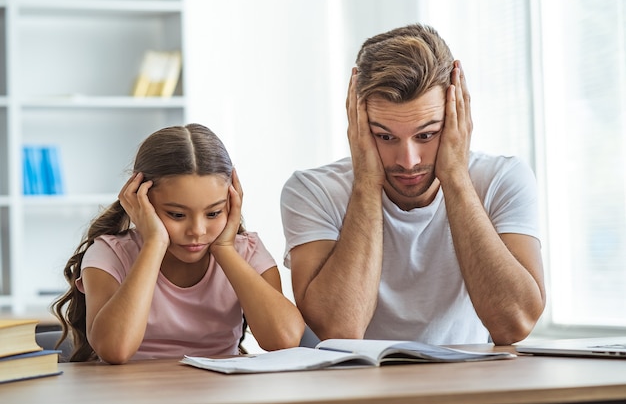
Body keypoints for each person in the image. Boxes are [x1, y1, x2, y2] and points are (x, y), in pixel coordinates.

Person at [280, 24, 545, 346]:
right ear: (357, 124)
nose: (408, 160)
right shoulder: (312, 191)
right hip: (350, 389)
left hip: (462, 387)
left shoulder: (502, 179)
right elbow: (340, 331)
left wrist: (457, 179)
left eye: (427, 135)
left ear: (457, 118)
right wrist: (366, 182)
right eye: (385, 136)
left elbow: (514, 324)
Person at [53, 123, 304, 363]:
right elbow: (114, 350)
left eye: (213, 213)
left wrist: (225, 250)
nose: (197, 231)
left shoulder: (246, 252)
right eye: (177, 215)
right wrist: (153, 243)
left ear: (232, 202)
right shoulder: (110, 254)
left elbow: (285, 339)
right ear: (141, 200)